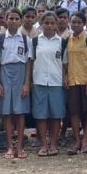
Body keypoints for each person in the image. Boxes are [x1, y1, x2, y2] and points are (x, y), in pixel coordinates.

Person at [0, 9, 32, 159]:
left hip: (20, 73)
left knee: (20, 112)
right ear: (6, 20)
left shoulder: (25, 39)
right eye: (11, 18)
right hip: (4, 73)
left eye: (16, 18)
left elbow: (28, 62)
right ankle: (9, 146)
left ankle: (20, 147)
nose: (13, 21)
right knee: (7, 113)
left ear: (20, 21)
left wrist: (26, 83)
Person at [30, 11, 67, 156]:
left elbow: (64, 64)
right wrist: (29, 81)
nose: (49, 25)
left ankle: (53, 143)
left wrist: (65, 79)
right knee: (41, 115)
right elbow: (31, 62)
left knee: (56, 114)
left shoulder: (62, 42)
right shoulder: (34, 41)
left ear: (56, 24)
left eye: (52, 23)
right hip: (39, 82)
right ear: (41, 23)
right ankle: (44, 145)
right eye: (46, 23)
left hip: (56, 82)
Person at [64, 12, 87, 155]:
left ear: (84, 23)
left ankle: (85, 139)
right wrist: (65, 76)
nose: (76, 24)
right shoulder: (67, 40)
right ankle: (77, 140)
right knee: (74, 111)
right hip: (73, 80)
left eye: (79, 22)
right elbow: (65, 61)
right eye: (73, 22)